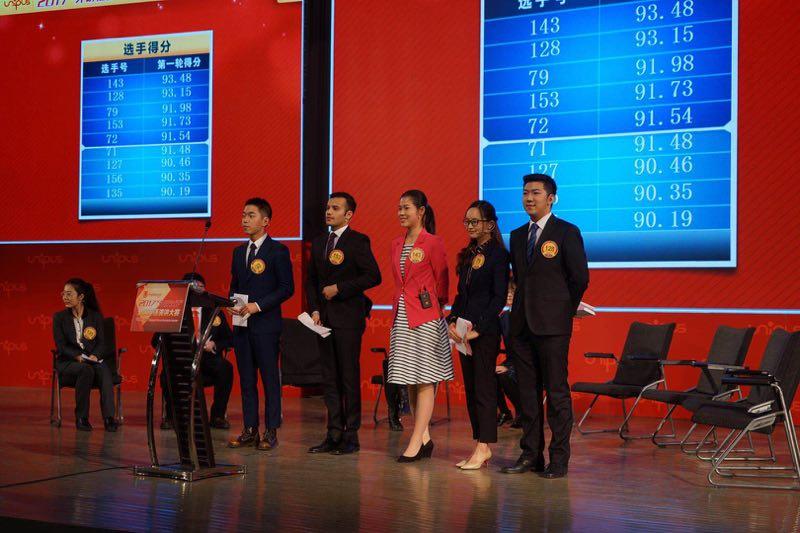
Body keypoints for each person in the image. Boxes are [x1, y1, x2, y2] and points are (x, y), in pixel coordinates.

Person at [501, 174, 589, 479]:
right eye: (525, 192)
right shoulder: (516, 235)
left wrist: (561, 311)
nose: (529, 198)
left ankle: (559, 459)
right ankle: (531, 455)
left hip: (552, 327)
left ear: (551, 198)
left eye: (536, 193)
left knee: (556, 393)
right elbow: (519, 281)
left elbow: (580, 278)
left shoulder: (566, 232)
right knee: (527, 395)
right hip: (521, 327)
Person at [306, 192, 382, 455]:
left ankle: (351, 435)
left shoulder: (358, 241)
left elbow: (373, 276)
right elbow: (312, 281)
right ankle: (333, 432)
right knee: (329, 378)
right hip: (323, 319)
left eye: (335, 208)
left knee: (348, 377)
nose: (329, 212)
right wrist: (315, 309)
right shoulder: (319, 242)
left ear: (348, 214)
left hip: (348, 318)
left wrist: (340, 288)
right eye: (328, 207)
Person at [388, 189, 453, 462]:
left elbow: (443, 280)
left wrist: (437, 307)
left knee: (425, 378)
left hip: (426, 318)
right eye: (399, 208)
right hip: (401, 316)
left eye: (407, 208)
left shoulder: (433, 242)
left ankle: (415, 441)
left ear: (421, 211)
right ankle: (424, 438)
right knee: (409, 379)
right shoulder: (396, 243)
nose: (401, 213)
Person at [228, 197, 294, 451]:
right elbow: (235, 285)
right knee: (246, 380)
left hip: (266, 325)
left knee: (269, 380)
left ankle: (271, 431)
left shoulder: (278, 251)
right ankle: (250, 429)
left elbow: (286, 288)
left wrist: (259, 305)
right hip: (242, 324)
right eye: (243, 215)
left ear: (265, 221)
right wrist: (232, 302)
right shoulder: (238, 252)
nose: (245, 220)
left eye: (251, 215)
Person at [447, 200, 509, 469]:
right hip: (463, 332)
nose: (470, 226)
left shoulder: (498, 255)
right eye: (467, 221)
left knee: (484, 389)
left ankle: (484, 446)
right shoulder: (469, 254)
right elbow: (461, 295)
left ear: (490, 225)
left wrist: (479, 329)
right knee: (471, 389)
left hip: (484, 333)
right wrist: (452, 321)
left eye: (475, 221)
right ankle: (479, 445)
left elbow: (498, 299)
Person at [154, 272, 234, 430]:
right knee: (167, 374)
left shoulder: (214, 311)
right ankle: (171, 416)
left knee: (226, 368)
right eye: (192, 288)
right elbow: (156, 341)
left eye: (200, 287)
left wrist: (215, 344)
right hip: (182, 359)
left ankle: (217, 416)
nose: (197, 291)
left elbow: (229, 339)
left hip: (207, 360)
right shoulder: (174, 311)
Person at [52, 278, 117, 432]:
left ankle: (109, 418)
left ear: (81, 297)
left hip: (90, 360)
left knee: (104, 369)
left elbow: (102, 343)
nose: (65, 297)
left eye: (69, 294)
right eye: (63, 294)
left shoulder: (95, 317)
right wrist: (77, 356)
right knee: (85, 370)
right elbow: (61, 346)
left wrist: (95, 356)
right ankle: (81, 418)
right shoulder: (59, 318)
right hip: (69, 362)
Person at [496, 284, 523, 428]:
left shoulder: (526, 315)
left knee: (504, 375)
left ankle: (522, 412)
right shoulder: (504, 316)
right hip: (511, 360)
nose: (509, 294)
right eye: (507, 292)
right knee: (488, 373)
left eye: (513, 291)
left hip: (525, 362)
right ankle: (505, 412)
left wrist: (509, 367)